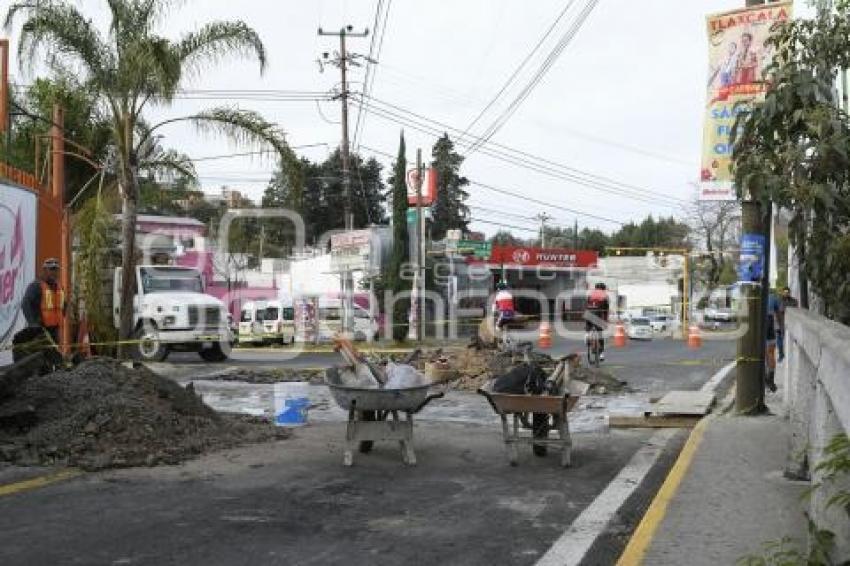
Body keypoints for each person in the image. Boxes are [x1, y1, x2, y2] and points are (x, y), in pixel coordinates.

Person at [21, 258, 66, 344]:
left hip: (55, 330)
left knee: (54, 355)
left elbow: (64, 306)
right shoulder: (36, 286)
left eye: (56, 270)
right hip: (40, 331)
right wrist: (34, 324)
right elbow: (25, 304)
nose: (55, 272)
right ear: (45, 270)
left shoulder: (60, 288)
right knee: (41, 355)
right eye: (52, 269)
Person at [585, 282, 610, 361]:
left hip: (588, 314)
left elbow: (586, 305)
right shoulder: (605, 296)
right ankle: (601, 354)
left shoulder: (590, 294)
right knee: (600, 334)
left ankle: (587, 334)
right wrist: (605, 321)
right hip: (597, 315)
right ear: (604, 289)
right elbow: (606, 311)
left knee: (588, 327)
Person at [774, 286, 797, 362]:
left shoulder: (794, 301)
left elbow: (795, 310)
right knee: (779, 341)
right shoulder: (778, 300)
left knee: (791, 340)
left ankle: (791, 355)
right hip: (779, 322)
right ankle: (781, 354)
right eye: (785, 292)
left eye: (787, 292)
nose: (786, 293)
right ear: (782, 292)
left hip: (789, 323)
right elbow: (777, 310)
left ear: (789, 293)